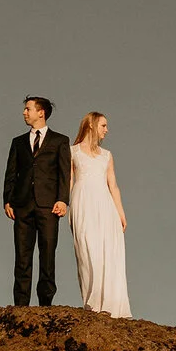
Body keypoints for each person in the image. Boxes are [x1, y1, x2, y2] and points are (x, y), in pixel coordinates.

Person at [1, 96, 71, 306]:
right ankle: (20, 305)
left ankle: (45, 305)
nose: (24, 112)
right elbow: (10, 173)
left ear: (41, 112)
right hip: (22, 206)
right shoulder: (18, 142)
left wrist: (63, 200)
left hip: (48, 206)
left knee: (47, 255)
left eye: (28, 109)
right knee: (22, 257)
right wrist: (7, 200)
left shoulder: (60, 140)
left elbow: (64, 173)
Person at [67, 110, 129, 318]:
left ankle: (109, 305)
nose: (107, 130)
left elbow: (113, 185)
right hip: (82, 202)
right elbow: (69, 181)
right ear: (92, 125)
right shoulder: (72, 152)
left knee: (107, 253)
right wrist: (66, 207)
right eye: (103, 126)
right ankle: (91, 301)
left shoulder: (107, 156)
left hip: (106, 206)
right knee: (87, 250)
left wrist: (120, 213)